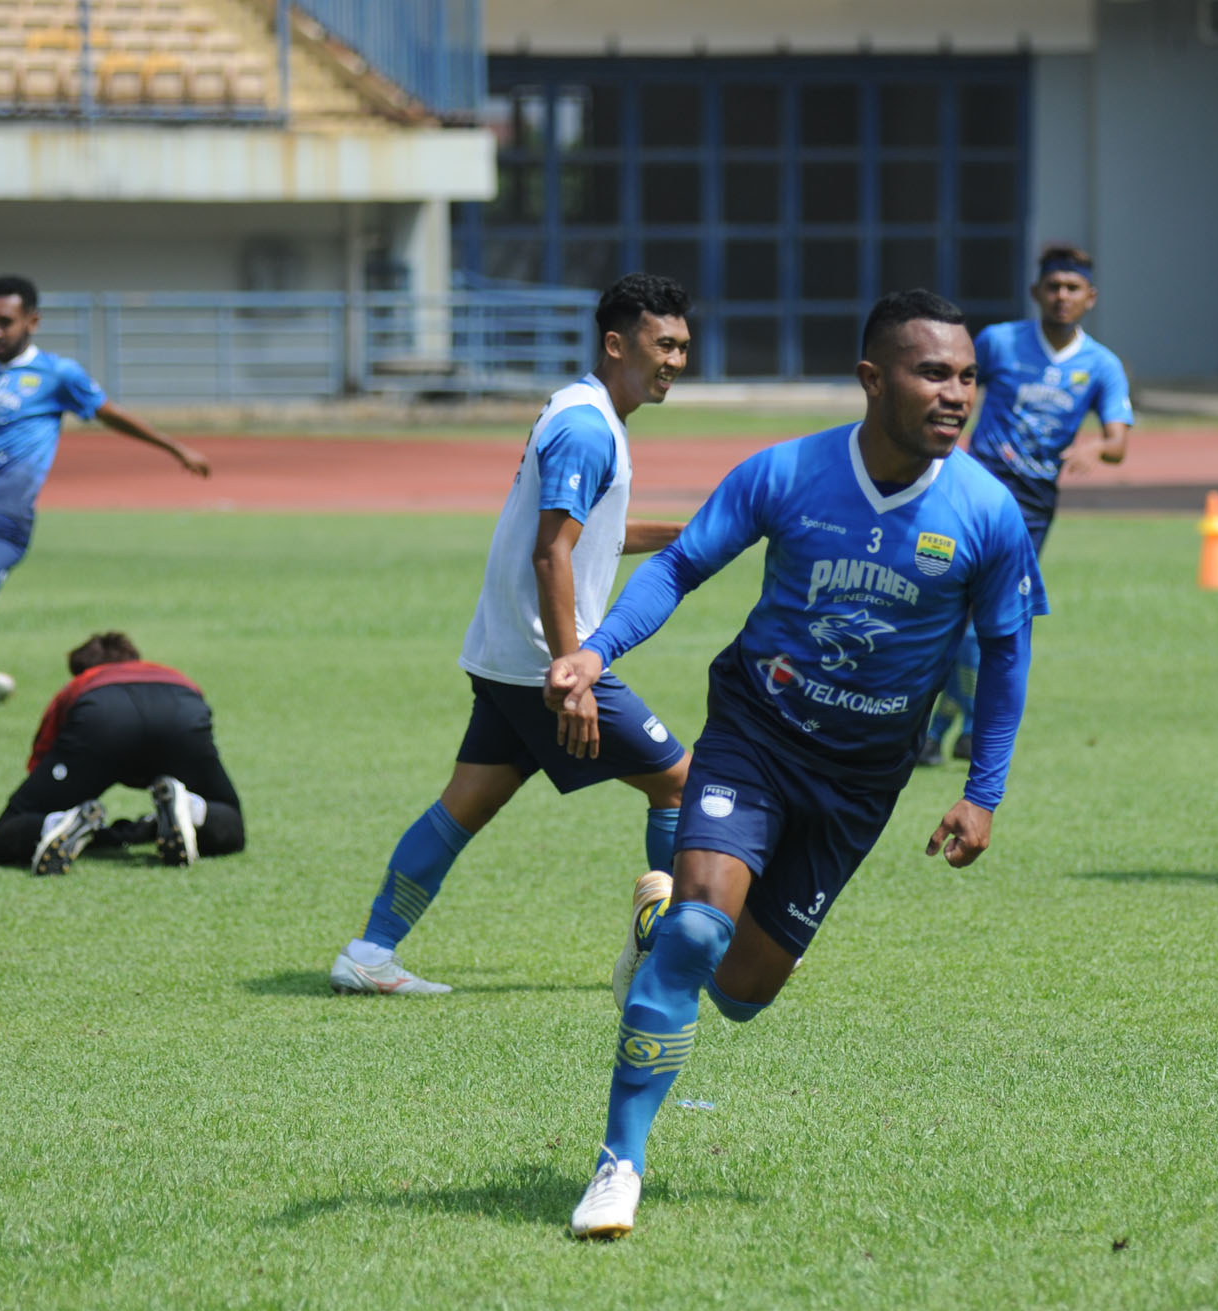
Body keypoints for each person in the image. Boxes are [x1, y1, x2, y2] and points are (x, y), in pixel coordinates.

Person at [545, 290, 1046, 1239]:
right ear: (872, 378)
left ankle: (655, 920)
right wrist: (597, 650)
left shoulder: (987, 513)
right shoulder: (785, 474)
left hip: (862, 781)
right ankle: (619, 1163)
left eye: (968, 376)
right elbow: (681, 568)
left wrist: (983, 794)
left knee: (739, 994)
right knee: (700, 936)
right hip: (756, 736)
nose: (958, 393)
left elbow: (1008, 654)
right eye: (933, 372)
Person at [326, 273, 696, 997]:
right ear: (617, 343)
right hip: (543, 662)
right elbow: (551, 552)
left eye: (684, 346)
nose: (676, 360)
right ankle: (671, 951)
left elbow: (586, 536)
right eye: (664, 344)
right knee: (680, 785)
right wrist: (574, 670)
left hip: (506, 657)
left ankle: (370, 952)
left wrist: (699, 534)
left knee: (463, 805)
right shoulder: (589, 428)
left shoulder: (579, 410)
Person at [0, 275, 210, 751]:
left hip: (5, 515)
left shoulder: (57, 375)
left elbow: (109, 412)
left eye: (5, 323)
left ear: (32, 322)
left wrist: (175, 448)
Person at [922, 243, 1132, 765]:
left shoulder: (1101, 365)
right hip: (976, 487)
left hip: (1033, 506)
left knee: (980, 614)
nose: (1062, 296)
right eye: (1053, 286)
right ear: (1036, 292)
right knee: (949, 603)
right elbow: (955, 391)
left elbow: (1118, 443)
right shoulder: (999, 342)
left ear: (1091, 298)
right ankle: (957, 727)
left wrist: (1093, 446)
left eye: (1073, 288)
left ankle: (945, 726)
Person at [0, 631, 244, 874]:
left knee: (2, 836)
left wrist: (54, 798)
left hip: (103, 716)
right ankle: (190, 807)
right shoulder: (171, 674)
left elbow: (40, 760)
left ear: (81, 671)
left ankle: (60, 822)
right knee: (230, 817)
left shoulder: (82, 684)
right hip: (181, 710)